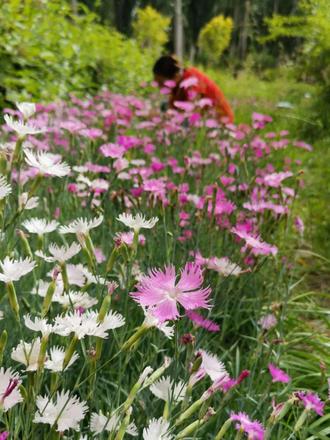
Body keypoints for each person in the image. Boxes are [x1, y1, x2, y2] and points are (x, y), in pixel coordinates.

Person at [153, 55, 234, 124]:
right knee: (163, 106)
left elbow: (194, 112)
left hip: (220, 121)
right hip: (203, 122)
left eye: (161, 83)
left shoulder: (191, 79)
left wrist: (163, 117)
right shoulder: (176, 89)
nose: (160, 87)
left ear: (176, 76)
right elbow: (171, 112)